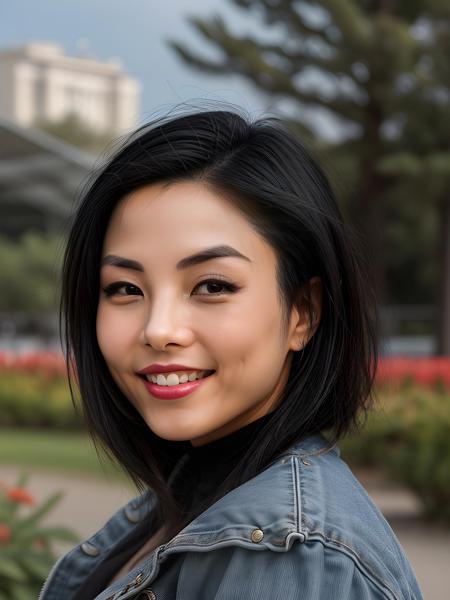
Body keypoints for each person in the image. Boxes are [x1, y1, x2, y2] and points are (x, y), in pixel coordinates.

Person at [39, 107, 423, 599]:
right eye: (125, 289)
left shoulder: (294, 555)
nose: (159, 330)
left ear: (302, 312)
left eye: (212, 285)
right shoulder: (181, 507)